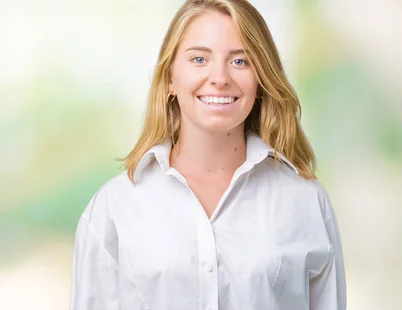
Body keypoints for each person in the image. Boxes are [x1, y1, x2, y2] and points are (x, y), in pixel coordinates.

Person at [69, 0, 346, 309]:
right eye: (199, 59)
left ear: (261, 80)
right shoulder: (115, 207)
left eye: (240, 61)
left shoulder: (304, 202)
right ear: (171, 78)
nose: (220, 77)